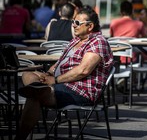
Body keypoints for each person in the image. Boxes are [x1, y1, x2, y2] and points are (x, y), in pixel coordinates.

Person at [15, 8, 114, 140]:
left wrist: (55, 80)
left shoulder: (98, 42)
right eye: (73, 21)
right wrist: (48, 73)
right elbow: (60, 62)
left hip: (80, 90)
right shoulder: (75, 40)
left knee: (34, 95)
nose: (73, 25)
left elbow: (83, 70)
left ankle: (20, 137)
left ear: (90, 26)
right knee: (27, 75)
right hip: (61, 83)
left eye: (78, 23)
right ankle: (38, 88)